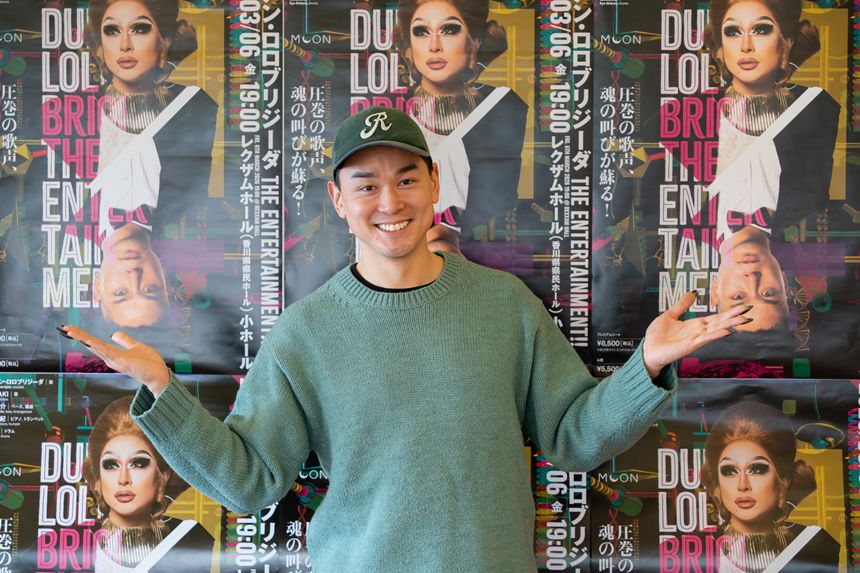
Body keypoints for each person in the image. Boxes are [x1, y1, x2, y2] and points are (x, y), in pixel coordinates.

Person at [62, 107, 754, 571]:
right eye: (366, 185)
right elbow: (248, 480)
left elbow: (573, 437)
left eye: (406, 179)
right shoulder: (305, 331)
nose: (389, 202)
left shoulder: (504, 305)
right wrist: (161, 388)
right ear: (338, 200)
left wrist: (645, 365)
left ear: (433, 186)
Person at [394, 0, 528, 252]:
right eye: (422, 31)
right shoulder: (390, 114)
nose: (434, 45)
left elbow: (500, 201)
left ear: (474, 43)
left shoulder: (502, 106)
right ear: (408, 48)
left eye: (449, 30)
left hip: (478, 258)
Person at [704, 0, 840, 240]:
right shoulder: (688, 112)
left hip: (785, 250)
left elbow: (815, 198)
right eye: (733, 32)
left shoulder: (814, 108)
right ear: (719, 48)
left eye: (761, 29)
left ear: (786, 42)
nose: (746, 46)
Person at [85, 0, 218, 245]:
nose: (125, 45)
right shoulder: (75, 111)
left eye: (140, 29)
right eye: (112, 30)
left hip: (166, 250)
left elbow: (189, 198)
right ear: (99, 45)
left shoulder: (193, 106)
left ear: (164, 41)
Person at [702, 401, 840, 572]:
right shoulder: (695, 548)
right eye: (729, 471)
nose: (743, 485)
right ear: (718, 485)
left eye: (757, 469)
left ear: (783, 481)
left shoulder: (814, 544)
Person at [83, 396, 214, 572]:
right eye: (111, 465)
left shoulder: (189, 537)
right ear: (99, 478)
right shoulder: (71, 542)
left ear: (163, 476)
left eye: (138, 463)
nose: (123, 478)